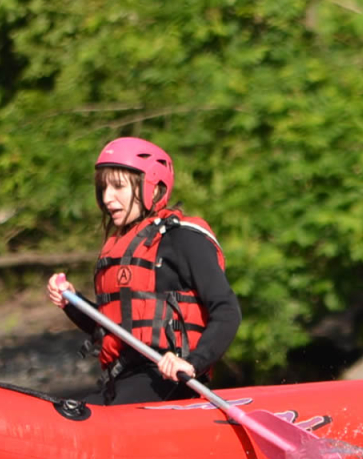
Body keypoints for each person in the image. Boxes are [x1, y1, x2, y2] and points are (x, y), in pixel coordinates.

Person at [47, 137, 240, 404]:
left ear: (153, 186)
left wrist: (192, 363)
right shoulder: (120, 248)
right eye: (103, 188)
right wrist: (72, 301)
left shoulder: (183, 240)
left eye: (118, 187)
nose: (106, 198)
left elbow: (227, 310)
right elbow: (115, 329)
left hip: (169, 382)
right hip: (122, 377)